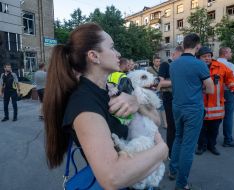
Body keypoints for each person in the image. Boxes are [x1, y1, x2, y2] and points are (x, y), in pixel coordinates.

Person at [43, 23, 168, 189]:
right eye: (112, 47)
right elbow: (112, 178)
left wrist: (138, 104)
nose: (118, 54)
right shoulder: (84, 105)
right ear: (94, 56)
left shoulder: (109, 90)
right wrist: (162, 150)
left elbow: (156, 121)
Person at [169, 34, 214, 190]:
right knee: (188, 146)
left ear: (183, 45)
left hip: (177, 107)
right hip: (193, 109)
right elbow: (210, 89)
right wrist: (198, 87)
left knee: (178, 137)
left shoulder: (173, 64)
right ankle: (181, 184)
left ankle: (172, 170)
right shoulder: (199, 64)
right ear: (197, 46)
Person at [195, 47, 234, 156]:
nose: (207, 59)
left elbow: (230, 78)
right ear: (199, 58)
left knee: (214, 129)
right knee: (201, 129)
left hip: (216, 105)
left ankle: (212, 146)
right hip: (200, 105)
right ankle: (201, 146)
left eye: (209, 56)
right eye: (204, 57)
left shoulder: (220, 67)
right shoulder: (195, 67)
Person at [157, 45, 184, 159]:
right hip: (170, 97)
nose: (183, 59)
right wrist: (179, 81)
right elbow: (161, 82)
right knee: (172, 126)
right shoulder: (165, 65)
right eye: (181, 56)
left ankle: (177, 149)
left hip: (181, 98)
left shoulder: (183, 66)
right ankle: (170, 152)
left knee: (180, 126)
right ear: (174, 54)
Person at [217, 47, 234, 147]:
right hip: (227, 92)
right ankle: (228, 139)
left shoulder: (214, 63)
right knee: (228, 116)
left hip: (214, 92)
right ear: (225, 53)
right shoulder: (230, 65)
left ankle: (210, 139)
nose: (232, 53)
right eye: (230, 52)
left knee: (214, 115)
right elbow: (232, 80)